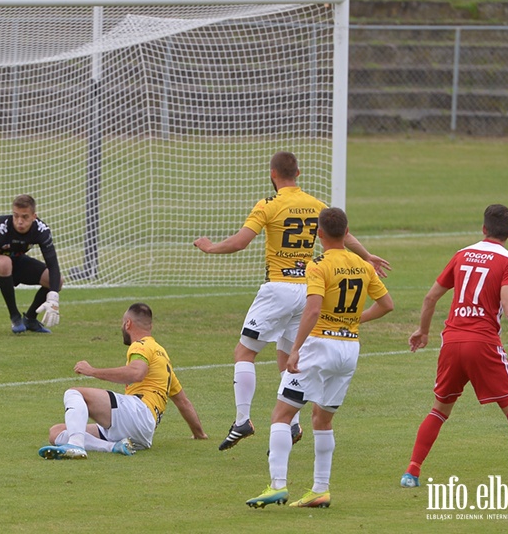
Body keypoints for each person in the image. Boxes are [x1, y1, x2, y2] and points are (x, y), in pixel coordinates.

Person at [193, 151, 390, 452]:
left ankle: (242, 419)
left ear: (272, 174)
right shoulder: (317, 205)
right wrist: (368, 255)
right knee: (288, 360)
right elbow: (344, 237)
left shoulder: (268, 205)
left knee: (244, 352)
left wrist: (210, 248)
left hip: (280, 289)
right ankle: (293, 424)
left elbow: (240, 242)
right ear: (298, 173)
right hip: (310, 288)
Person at [246, 207, 393, 509]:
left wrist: (296, 348)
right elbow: (387, 304)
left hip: (319, 347)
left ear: (319, 234)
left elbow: (312, 310)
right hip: (349, 349)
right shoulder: (363, 265)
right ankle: (320, 489)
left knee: (282, 415)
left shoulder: (318, 265)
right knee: (322, 419)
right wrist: (352, 321)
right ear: (346, 231)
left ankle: (277, 486)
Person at [400, 204, 508, 490]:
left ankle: (411, 472)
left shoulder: (461, 254)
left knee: (438, 411)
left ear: (483, 229)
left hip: (452, 341)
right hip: (482, 343)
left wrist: (422, 331)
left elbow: (430, 298)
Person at [37, 302, 207, 459]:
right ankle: (113, 447)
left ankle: (75, 446)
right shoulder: (163, 359)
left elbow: (136, 373)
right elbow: (183, 402)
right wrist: (199, 434)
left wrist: (92, 371)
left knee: (73, 393)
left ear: (128, 324)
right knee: (57, 433)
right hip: (142, 434)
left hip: (138, 413)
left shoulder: (141, 345)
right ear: (151, 326)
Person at [0, 194, 62, 334]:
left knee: (56, 281)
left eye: (25, 217)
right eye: (16, 216)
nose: (19, 221)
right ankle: (15, 317)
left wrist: (53, 297)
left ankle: (30, 319)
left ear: (34, 216)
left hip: (14, 264)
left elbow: (53, 265)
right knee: (4, 262)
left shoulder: (41, 230)